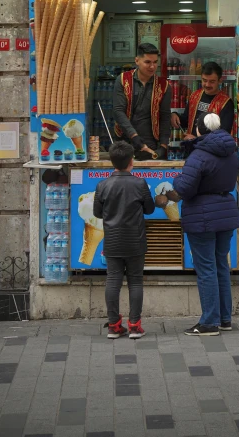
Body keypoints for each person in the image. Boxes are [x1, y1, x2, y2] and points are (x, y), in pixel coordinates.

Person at [172, 113, 239, 336]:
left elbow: (185, 188)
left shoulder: (198, 155)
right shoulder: (232, 152)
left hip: (202, 215)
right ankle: (224, 318)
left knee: (206, 269)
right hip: (225, 211)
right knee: (221, 265)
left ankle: (209, 323)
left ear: (200, 130)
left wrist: (176, 180)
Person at [93, 139, 155, 339]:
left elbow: (98, 213)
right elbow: (150, 209)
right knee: (135, 281)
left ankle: (114, 326)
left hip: (112, 240)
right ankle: (135, 326)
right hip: (135, 240)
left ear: (112, 161)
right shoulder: (139, 183)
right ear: (131, 161)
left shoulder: (102, 185)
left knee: (113, 281)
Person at [113, 42, 171, 160]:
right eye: (147, 62)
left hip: (150, 143)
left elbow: (165, 116)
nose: (152, 66)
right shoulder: (123, 80)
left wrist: (163, 146)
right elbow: (118, 111)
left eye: (155, 62)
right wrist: (134, 137)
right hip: (125, 139)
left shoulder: (164, 85)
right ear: (137, 61)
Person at [171, 61, 234, 142]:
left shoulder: (226, 103)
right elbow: (186, 121)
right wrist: (175, 116)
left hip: (212, 151)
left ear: (220, 80)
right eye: (204, 80)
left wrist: (196, 139)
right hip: (191, 149)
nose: (207, 84)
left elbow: (224, 134)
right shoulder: (195, 96)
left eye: (212, 81)